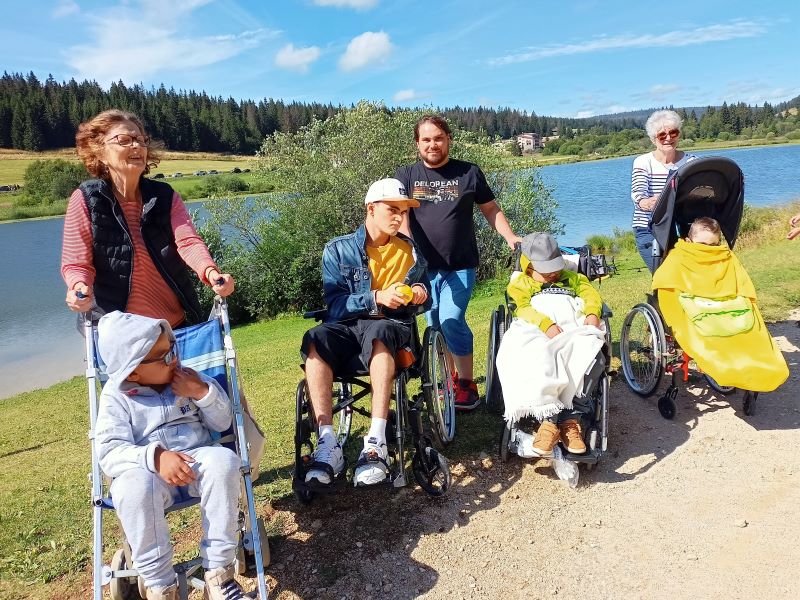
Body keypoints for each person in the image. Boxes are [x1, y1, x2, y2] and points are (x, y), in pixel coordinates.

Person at [94, 311, 244, 600]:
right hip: (149, 474)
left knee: (224, 461)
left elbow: (223, 423)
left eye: (173, 348)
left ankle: (219, 575)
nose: (174, 358)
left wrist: (202, 392)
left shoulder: (188, 377)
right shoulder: (117, 397)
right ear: (132, 370)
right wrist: (155, 457)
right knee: (130, 486)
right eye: (163, 356)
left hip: (196, 460)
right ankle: (160, 586)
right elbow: (110, 452)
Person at [301, 178, 429, 487]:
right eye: (392, 209)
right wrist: (375, 297)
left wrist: (420, 291)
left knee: (381, 331)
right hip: (346, 327)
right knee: (314, 338)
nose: (399, 216)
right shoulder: (337, 249)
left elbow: (423, 292)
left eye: (403, 210)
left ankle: (376, 441)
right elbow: (334, 305)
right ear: (371, 209)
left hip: (390, 327)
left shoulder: (410, 252)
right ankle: (328, 443)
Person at [61, 109, 234, 327]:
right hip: (120, 335)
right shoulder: (86, 199)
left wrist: (211, 272)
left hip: (176, 326)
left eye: (141, 141)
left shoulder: (165, 196)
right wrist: (78, 287)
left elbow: (188, 242)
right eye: (123, 140)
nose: (136, 146)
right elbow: (76, 262)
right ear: (100, 152)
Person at [395, 115, 522, 411]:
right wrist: (404, 255)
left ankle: (467, 384)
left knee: (452, 319)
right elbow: (401, 220)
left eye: (438, 138)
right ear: (417, 143)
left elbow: (490, 209)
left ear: (448, 139)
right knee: (435, 324)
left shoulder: (468, 173)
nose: (432, 144)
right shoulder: (406, 175)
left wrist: (510, 236)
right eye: (425, 139)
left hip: (460, 264)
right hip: (422, 269)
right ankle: (450, 379)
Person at [496, 232, 606, 457]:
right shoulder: (521, 283)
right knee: (532, 352)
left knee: (588, 352)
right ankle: (550, 421)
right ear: (529, 267)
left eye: (555, 268)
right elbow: (523, 309)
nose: (553, 274)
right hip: (537, 327)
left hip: (573, 326)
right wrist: (546, 325)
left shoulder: (574, 279)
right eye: (545, 272)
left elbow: (591, 296)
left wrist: (592, 313)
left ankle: (570, 419)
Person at [652, 217, 788, 391]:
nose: (707, 250)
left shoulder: (725, 256)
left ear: (719, 243)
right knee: (715, 344)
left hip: (728, 309)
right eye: (701, 244)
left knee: (753, 341)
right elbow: (667, 288)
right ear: (688, 240)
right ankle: (729, 371)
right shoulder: (678, 257)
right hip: (695, 311)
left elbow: (743, 286)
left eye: (713, 245)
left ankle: (752, 372)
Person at [631, 110, 696, 272]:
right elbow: (639, 194)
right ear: (654, 139)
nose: (668, 138)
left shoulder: (692, 161)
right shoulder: (643, 162)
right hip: (649, 227)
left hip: (683, 225)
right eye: (662, 135)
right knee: (663, 274)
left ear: (679, 135)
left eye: (673, 133)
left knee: (689, 273)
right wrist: (645, 202)